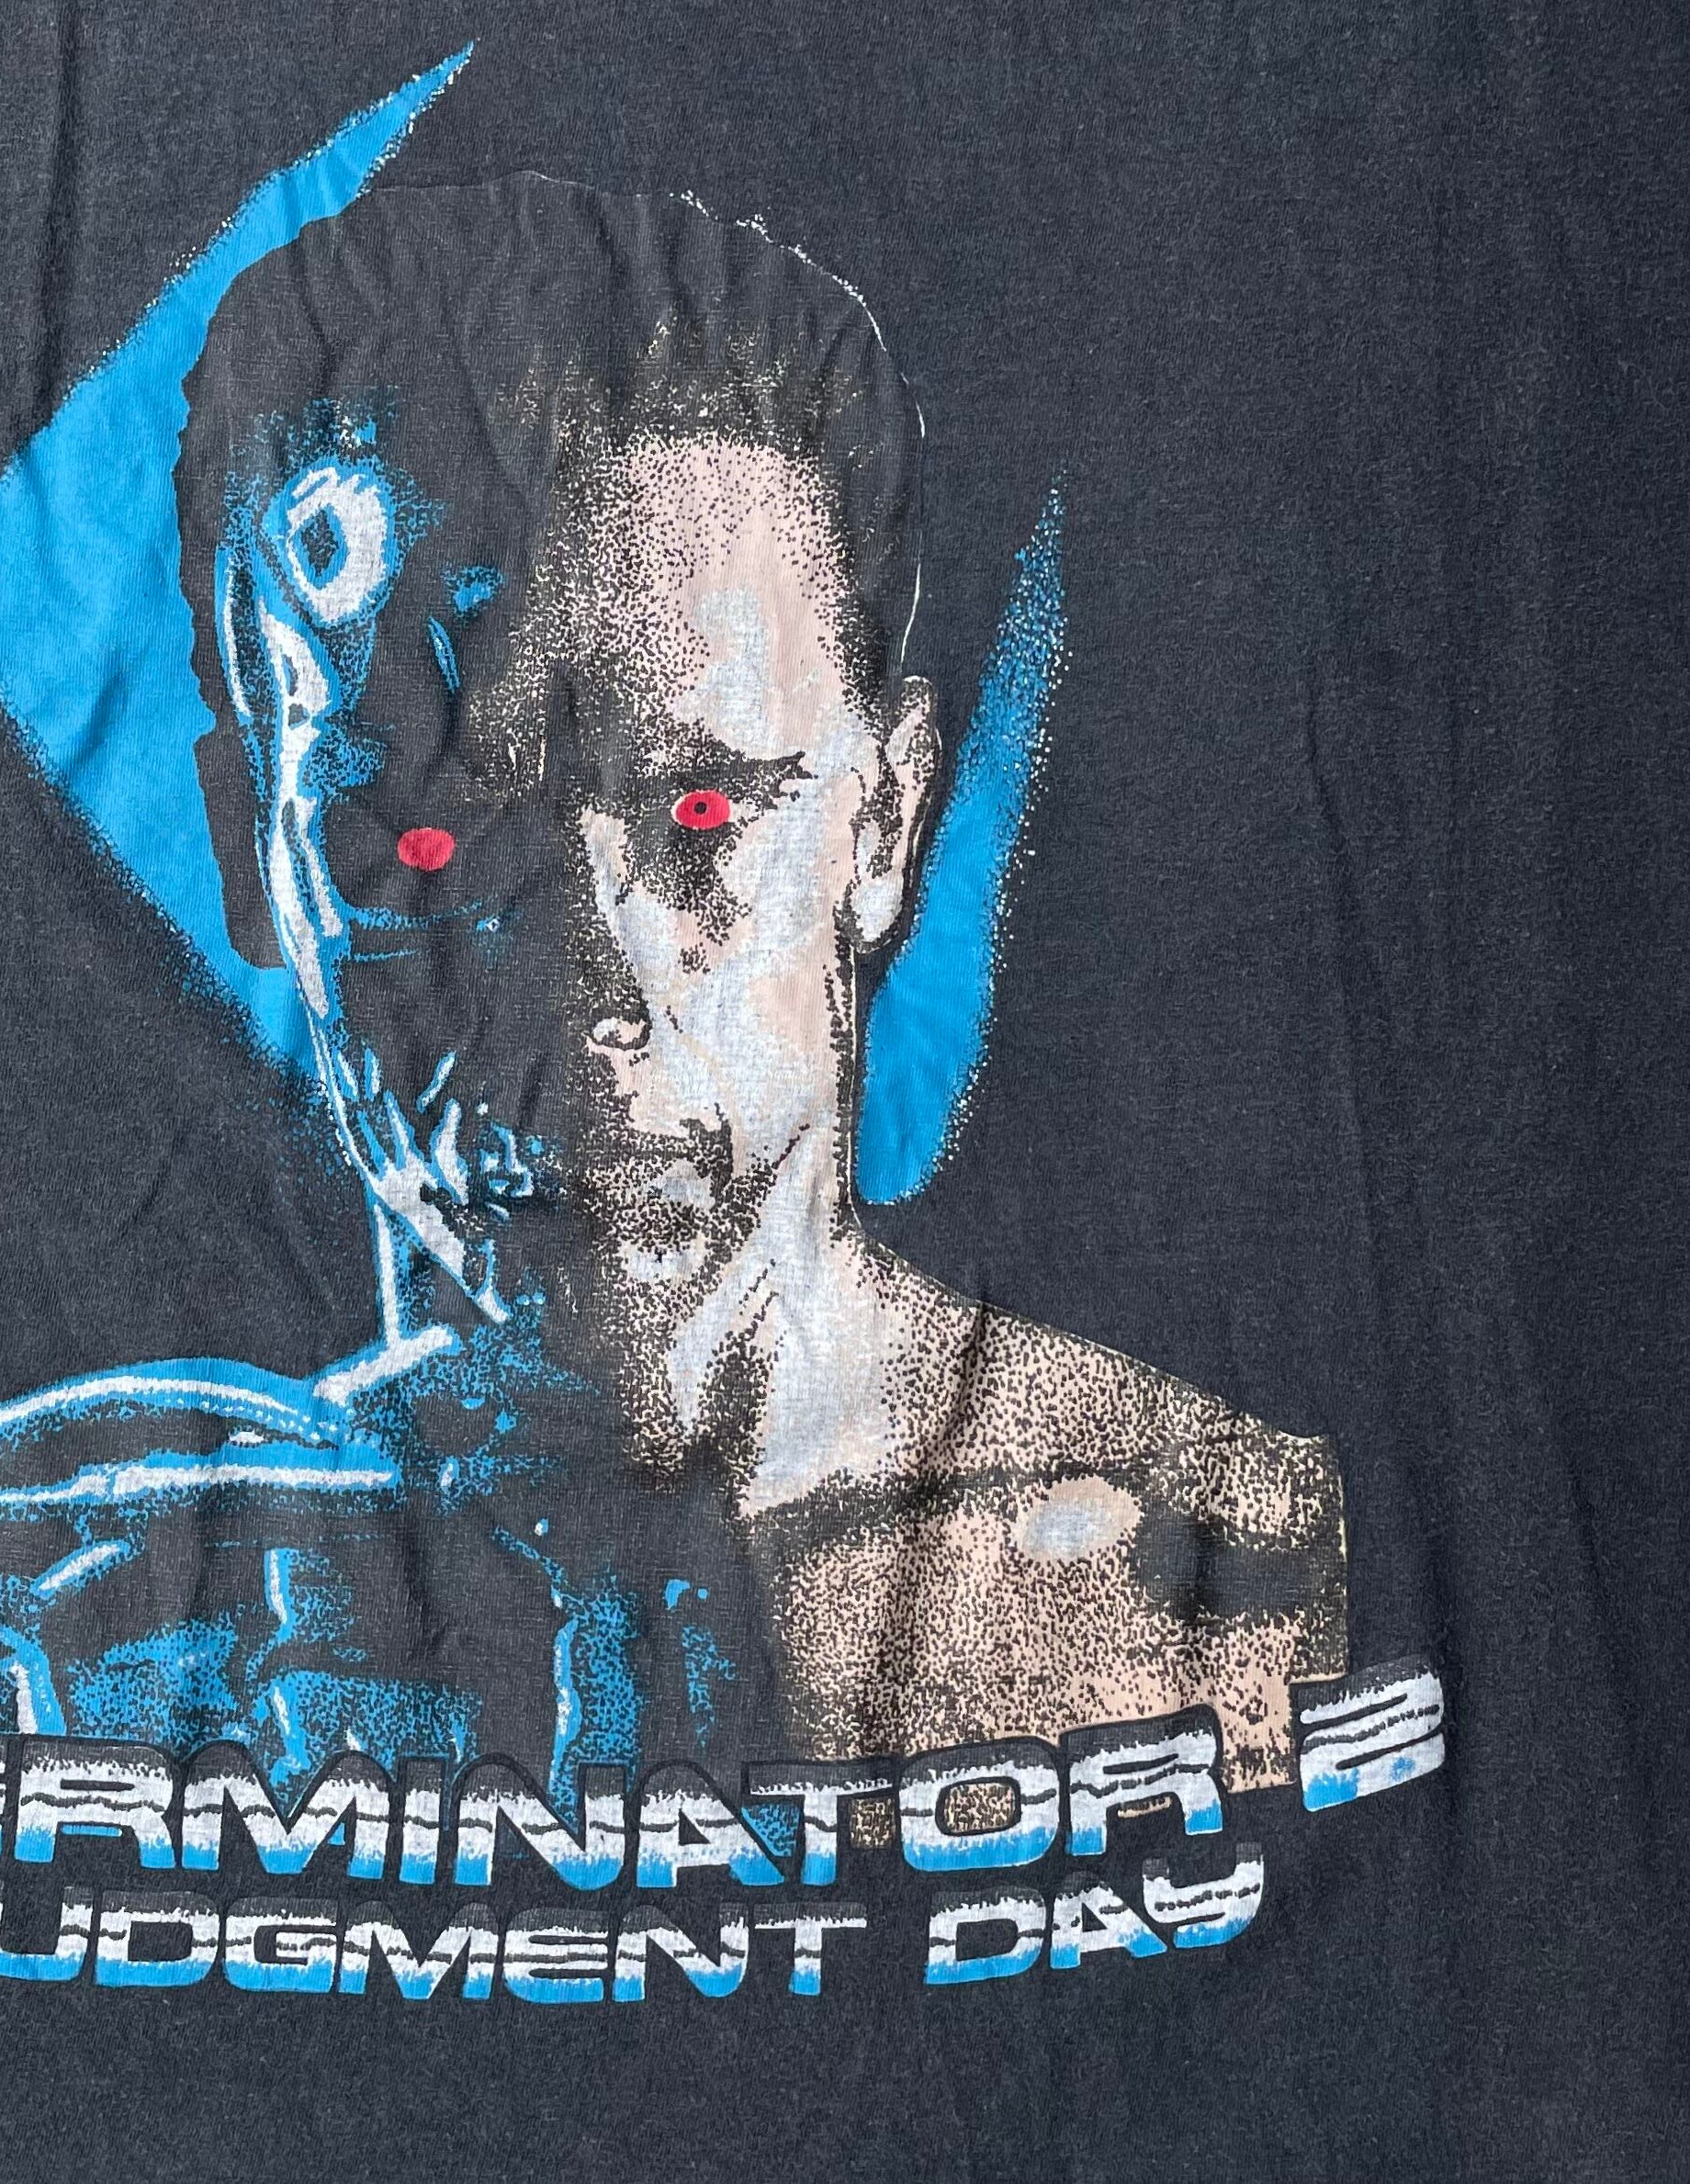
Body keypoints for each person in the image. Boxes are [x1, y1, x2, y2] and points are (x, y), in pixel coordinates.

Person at [176, 174, 1347, 1789]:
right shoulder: (48, 1615)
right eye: (418, 840)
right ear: (253, 863)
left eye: (701, 816)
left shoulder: (1222, 1575)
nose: (588, 993)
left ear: (884, 824)